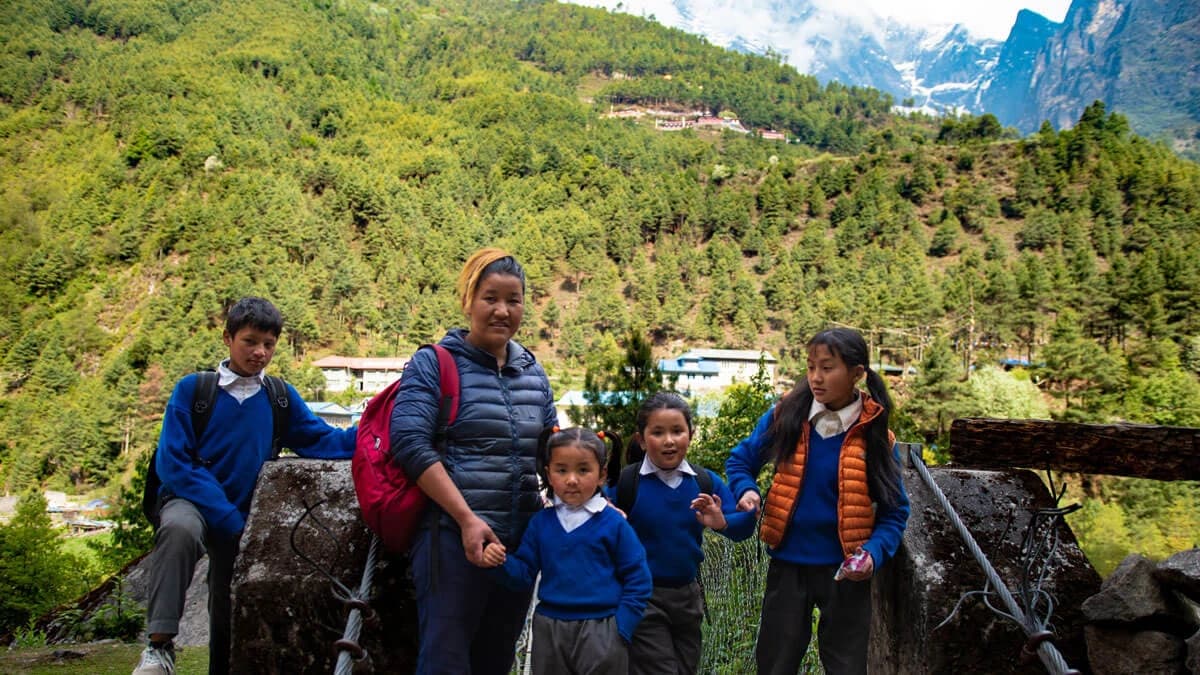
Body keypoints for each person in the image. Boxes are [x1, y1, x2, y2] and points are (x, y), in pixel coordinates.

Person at [134, 297, 357, 675]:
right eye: (250, 342)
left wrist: (383, 429)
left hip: (241, 516)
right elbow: (173, 462)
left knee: (228, 604)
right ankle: (159, 647)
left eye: (268, 344)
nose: (260, 352)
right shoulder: (193, 391)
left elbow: (325, 441)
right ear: (228, 338)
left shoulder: (278, 398)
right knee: (179, 530)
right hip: (193, 501)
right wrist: (229, 519)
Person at [390, 248, 558, 675]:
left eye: (514, 300)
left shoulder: (534, 374)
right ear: (468, 300)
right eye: (490, 298)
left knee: (496, 660)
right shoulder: (434, 363)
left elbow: (550, 456)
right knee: (445, 661)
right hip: (450, 538)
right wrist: (466, 519)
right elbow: (409, 443)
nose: (502, 310)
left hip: (516, 546)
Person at [725, 327, 910, 675]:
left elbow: (895, 512)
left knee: (846, 666)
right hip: (787, 566)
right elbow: (740, 461)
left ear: (857, 374)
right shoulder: (787, 416)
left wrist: (872, 553)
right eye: (811, 367)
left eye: (827, 368)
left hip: (845, 572)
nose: (815, 378)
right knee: (775, 664)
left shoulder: (876, 435)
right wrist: (746, 490)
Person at [481, 427, 653, 675]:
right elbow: (524, 574)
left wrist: (621, 628)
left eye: (583, 470)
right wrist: (499, 561)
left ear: (601, 474)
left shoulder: (614, 524)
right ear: (549, 474)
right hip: (549, 629)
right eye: (562, 470)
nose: (572, 479)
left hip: (602, 628)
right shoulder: (541, 523)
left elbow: (639, 578)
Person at [612, 392, 757, 675]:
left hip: (688, 598)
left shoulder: (704, 482)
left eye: (677, 431)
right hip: (641, 596)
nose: (669, 440)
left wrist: (721, 522)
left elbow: (745, 526)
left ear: (691, 434)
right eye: (657, 432)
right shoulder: (626, 484)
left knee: (685, 668)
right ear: (641, 439)